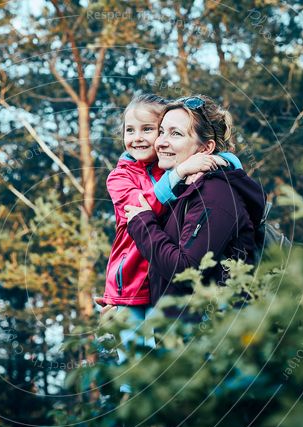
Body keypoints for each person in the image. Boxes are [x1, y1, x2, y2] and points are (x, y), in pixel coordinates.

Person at [97, 93, 242, 393]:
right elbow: (141, 211)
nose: (139, 138)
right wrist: (181, 172)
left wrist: (223, 162)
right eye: (129, 130)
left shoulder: (176, 171)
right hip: (132, 284)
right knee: (135, 374)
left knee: (158, 368)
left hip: (159, 283)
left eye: (150, 129)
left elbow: (223, 160)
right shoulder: (121, 177)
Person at [124, 95, 266, 314]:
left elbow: (185, 270)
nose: (160, 142)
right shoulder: (182, 193)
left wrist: (143, 224)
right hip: (182, 340)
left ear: (206, 148)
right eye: (161, 131)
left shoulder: (216, 194)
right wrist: (123, 303)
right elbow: (161, 267)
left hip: (210, 340)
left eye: (176, 134)